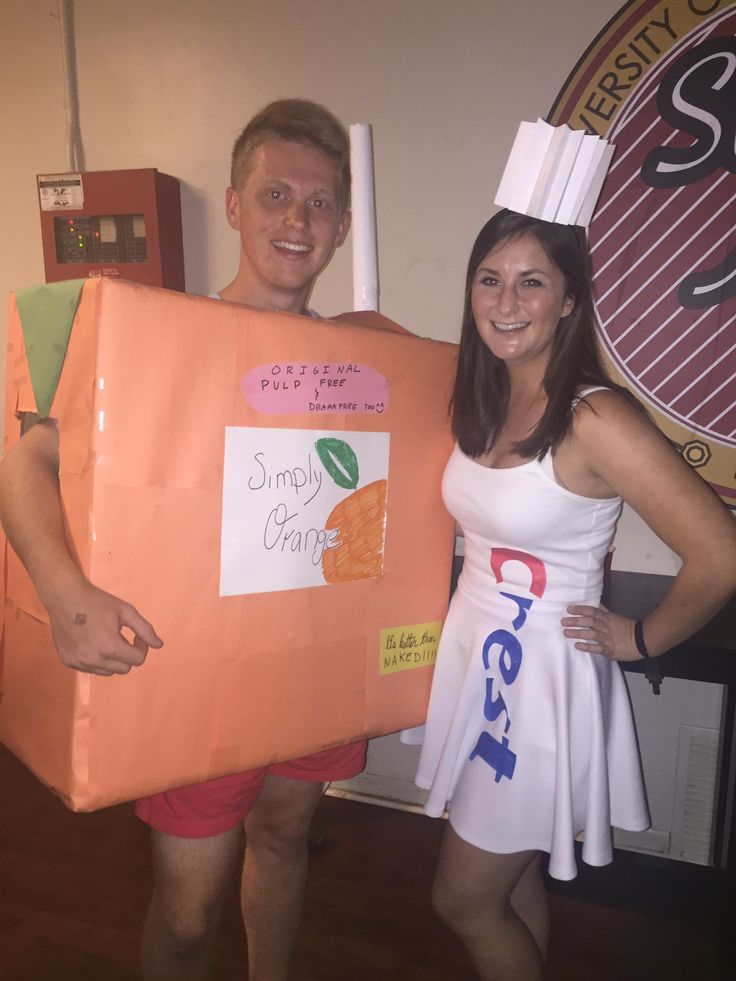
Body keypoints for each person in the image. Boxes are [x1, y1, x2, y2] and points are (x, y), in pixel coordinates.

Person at [0, 99, 365, 981]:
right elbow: (26, 455)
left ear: (344, 226)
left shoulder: (367, 366)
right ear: (236, 205)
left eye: (318, 204)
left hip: (313, 666)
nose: (295, 219)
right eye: (275, 193)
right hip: (199, 672)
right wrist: (63, 592)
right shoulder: (152, 334)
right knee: (189, 909)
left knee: (284, 839)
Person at [413, 209, 736, 981]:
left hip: (541, 690)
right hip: (481, 660)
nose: (505, 301)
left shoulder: (594, 415)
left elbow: (720, 555)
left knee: (463, 900)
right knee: (510, 876)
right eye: (489, 279)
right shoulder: (482, 394)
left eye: (532, 282)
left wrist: (640, 638)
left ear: (568, 300)